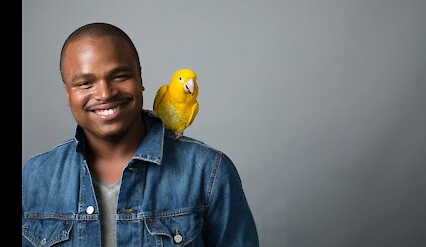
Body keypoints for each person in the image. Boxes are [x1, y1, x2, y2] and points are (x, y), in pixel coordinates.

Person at [22, 22, 259, 246]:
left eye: (119, 76)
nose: (105, 93)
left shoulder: (209, 172)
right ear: (67, 93)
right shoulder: (34, 177)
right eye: (85, 83)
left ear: (140, 79)